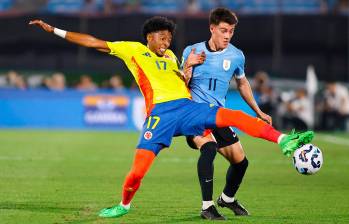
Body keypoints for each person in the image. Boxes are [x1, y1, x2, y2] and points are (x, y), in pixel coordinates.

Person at [29, 16, 314, 219]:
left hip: (188, 107)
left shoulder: (171, 58)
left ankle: (285, 141)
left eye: (169, 38)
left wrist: (186, 67)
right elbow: (93, 42)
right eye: (162, 37)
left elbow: (184, 82)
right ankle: (123, 205)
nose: (167, 42)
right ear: (149, 37)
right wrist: (54, 29)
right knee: (138, 170)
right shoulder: (133, 50)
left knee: (233, 116)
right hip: (161, 115)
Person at [181, 8, 270, 220]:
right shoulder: (192, 51)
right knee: (209, 148)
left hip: (219, 116)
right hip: (195, 115)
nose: (227, 36)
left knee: (241, 162)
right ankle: (207, 207)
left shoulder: (236, 56)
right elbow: (180, 86)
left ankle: (227, 199)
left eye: (231, 31)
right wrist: (188, 66)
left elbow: (242, 83)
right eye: (223, 30)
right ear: (212, 29)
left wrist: (258, 111)